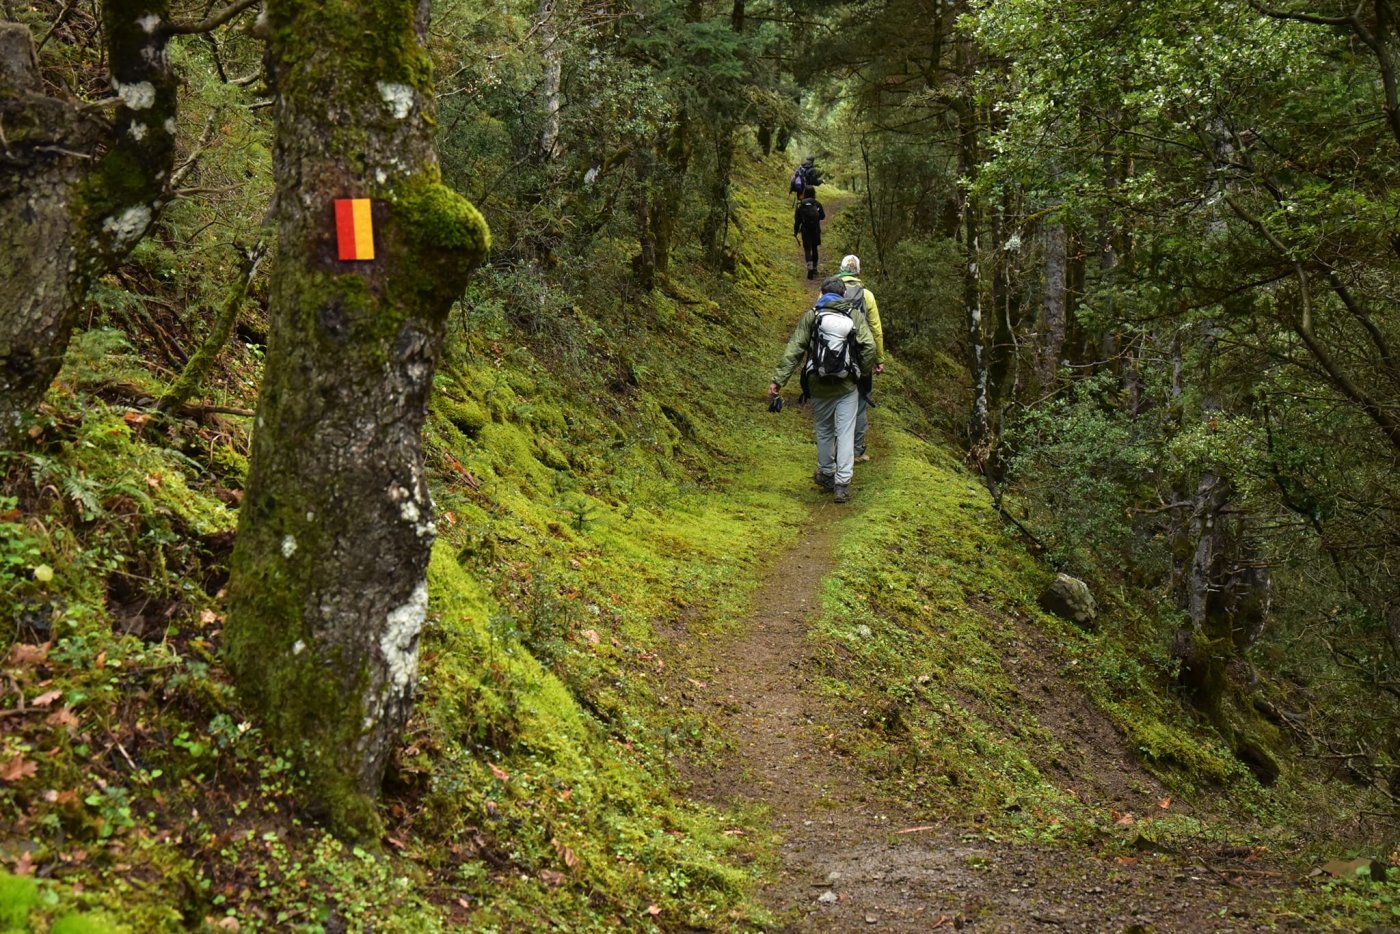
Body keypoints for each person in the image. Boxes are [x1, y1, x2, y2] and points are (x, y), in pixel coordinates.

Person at [769, 276, 877, 503]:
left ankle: (826, 473)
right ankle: (842, 485)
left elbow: (794, 349)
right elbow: (869, 346)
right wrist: (860, 372)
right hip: (846, 386)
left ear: (821, 293)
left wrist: (778, 381)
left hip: (817, 385)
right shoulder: (854, 316)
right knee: (845, 433)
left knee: (825, 430)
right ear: (844, 295)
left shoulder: (812, 316)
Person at [835, 255, 886, 462]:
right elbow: (876, 329)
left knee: (834, 399)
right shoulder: (867, 295)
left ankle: (835, 449)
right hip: (860, 356)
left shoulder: (829, 290)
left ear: (841, 270)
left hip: (835, 356)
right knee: (860, 400)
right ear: (858, 272)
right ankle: (856, 450)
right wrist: (879, 359)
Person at [793, 186, 825, 280]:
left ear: (805, 193)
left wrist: (795, 231)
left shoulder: (800, 205)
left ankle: (809, 267)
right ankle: (815, 268)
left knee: (807, 249)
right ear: (814, 193)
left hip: (805, 230)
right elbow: (823, 216)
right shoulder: (817, 204)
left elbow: (797, 220)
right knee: (814, 248)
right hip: (815, 229)